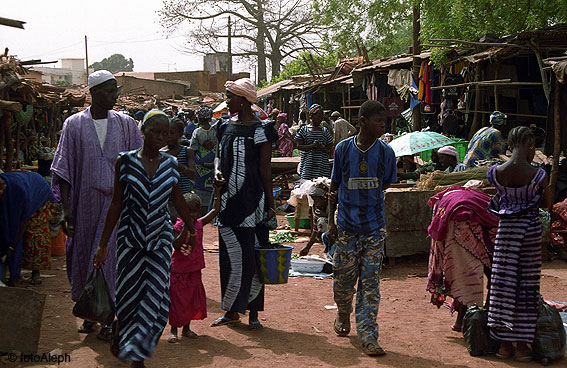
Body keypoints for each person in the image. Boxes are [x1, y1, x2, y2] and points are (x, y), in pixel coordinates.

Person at [93, 110, 197, 368]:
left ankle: (137, 356)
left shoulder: (171, 165)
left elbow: (178, 200)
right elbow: (116, 204)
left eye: (165, 133)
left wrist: (191, 230)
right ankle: (123, 329)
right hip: (130, 241)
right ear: (143, 131)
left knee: (156, 299)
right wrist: (103, 244)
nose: (161, 138)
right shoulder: (125, 162)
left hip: (159, 241)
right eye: (155, 132)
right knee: (129, 298)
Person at [50, 70, 143, 338]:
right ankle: (89, 312)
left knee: (112, 260)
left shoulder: (126, 124)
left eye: (116, 90)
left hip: (118, 206)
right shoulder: (73, 124)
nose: (115, 95)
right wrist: (67, 211)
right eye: (109, 90)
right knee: (82, 257)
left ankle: (108, 317)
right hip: (85, 206)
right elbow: (64, 170)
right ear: (93, 92)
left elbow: (138, 166)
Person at [327, 100, 397, 356]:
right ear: (363, 121)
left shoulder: (386, 153)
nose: (383, 126)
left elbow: (386, 185)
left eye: (384, 122)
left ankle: (368, 335)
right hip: (346, 227)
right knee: (343, 282)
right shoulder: (343, 149)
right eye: (379, 121)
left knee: (370, 284)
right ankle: (343, 313)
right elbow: (334, 187)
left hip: (374, 229)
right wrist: (331, 223)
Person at [211, 78, 277, 330]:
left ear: (243, 100)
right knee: (229, 255)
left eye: (230, 96)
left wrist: (270, 204)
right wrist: (217, 171)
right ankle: (231, 310)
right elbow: (219, 156)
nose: (227, 101)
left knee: (253, 254)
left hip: (252, 201)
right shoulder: (224, 126)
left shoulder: (262, 129)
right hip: (227, 202)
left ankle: (253, 313)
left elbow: (265, 168)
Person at [486, 126, 551, 362]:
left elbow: (498, 198)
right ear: (527, 142)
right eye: (532, 145)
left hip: (505, 233)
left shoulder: (496, 172)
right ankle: (522, 346)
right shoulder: (538, 175)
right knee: (526, 285)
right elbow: (547, 204)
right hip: (529, 233)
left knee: (503, 285)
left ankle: (504, 345)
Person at [426, 186, 499, 332]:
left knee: (462, 274)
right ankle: (475, 320)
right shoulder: (490, 206)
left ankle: (464, 320)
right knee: (477, 276)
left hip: (451, 222)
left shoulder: (449, 196)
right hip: (462, 225)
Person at [168, 189, 221, 343]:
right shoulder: (178, 225)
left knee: (191, 299)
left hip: (195, 269)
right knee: (177, 300)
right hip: (179, 270)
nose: (192, 215)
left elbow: (215, 210)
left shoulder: (199, 223)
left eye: (194, 212)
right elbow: (176, 245)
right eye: (188, 212)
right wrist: (187, 226)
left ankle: (186, 328)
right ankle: (173, 330)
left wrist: (217, 189)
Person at [0, 171, 56, 286]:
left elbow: (22, 221)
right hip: (26, 187)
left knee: (33, 233)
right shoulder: (5, 191)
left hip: (39, 193)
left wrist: (12, 246)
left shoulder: (18, 192)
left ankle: (35, 272)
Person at [190, 106, 218, 215]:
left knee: (200, 185)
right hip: (213, 161)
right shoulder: (215, 131)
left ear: (199, 119)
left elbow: (193, 148)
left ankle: (202, 207)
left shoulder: (197, 132)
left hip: (200, 164)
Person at [295, 104, 333, 180]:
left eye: (321, 117)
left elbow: (329, 147)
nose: (320, 119)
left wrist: (322, 147)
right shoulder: (304, 130)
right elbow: (298, 146)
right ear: (311, 116)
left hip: (322, 167)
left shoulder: (324, 131)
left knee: (322, 185)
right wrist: (311, 146)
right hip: (308, 166)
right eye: (318, 117)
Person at [299, 185, 335, 256]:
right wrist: (307, 247)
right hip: (327, 234)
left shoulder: (332, 205)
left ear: (324, 198)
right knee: (325, 235)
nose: (315, 203)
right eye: (314, 200)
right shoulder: (316, 208)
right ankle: (329, 250)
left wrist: (325, 215)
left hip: (338, 232)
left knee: (322, 221)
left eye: (317, 200)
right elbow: (315, 229)